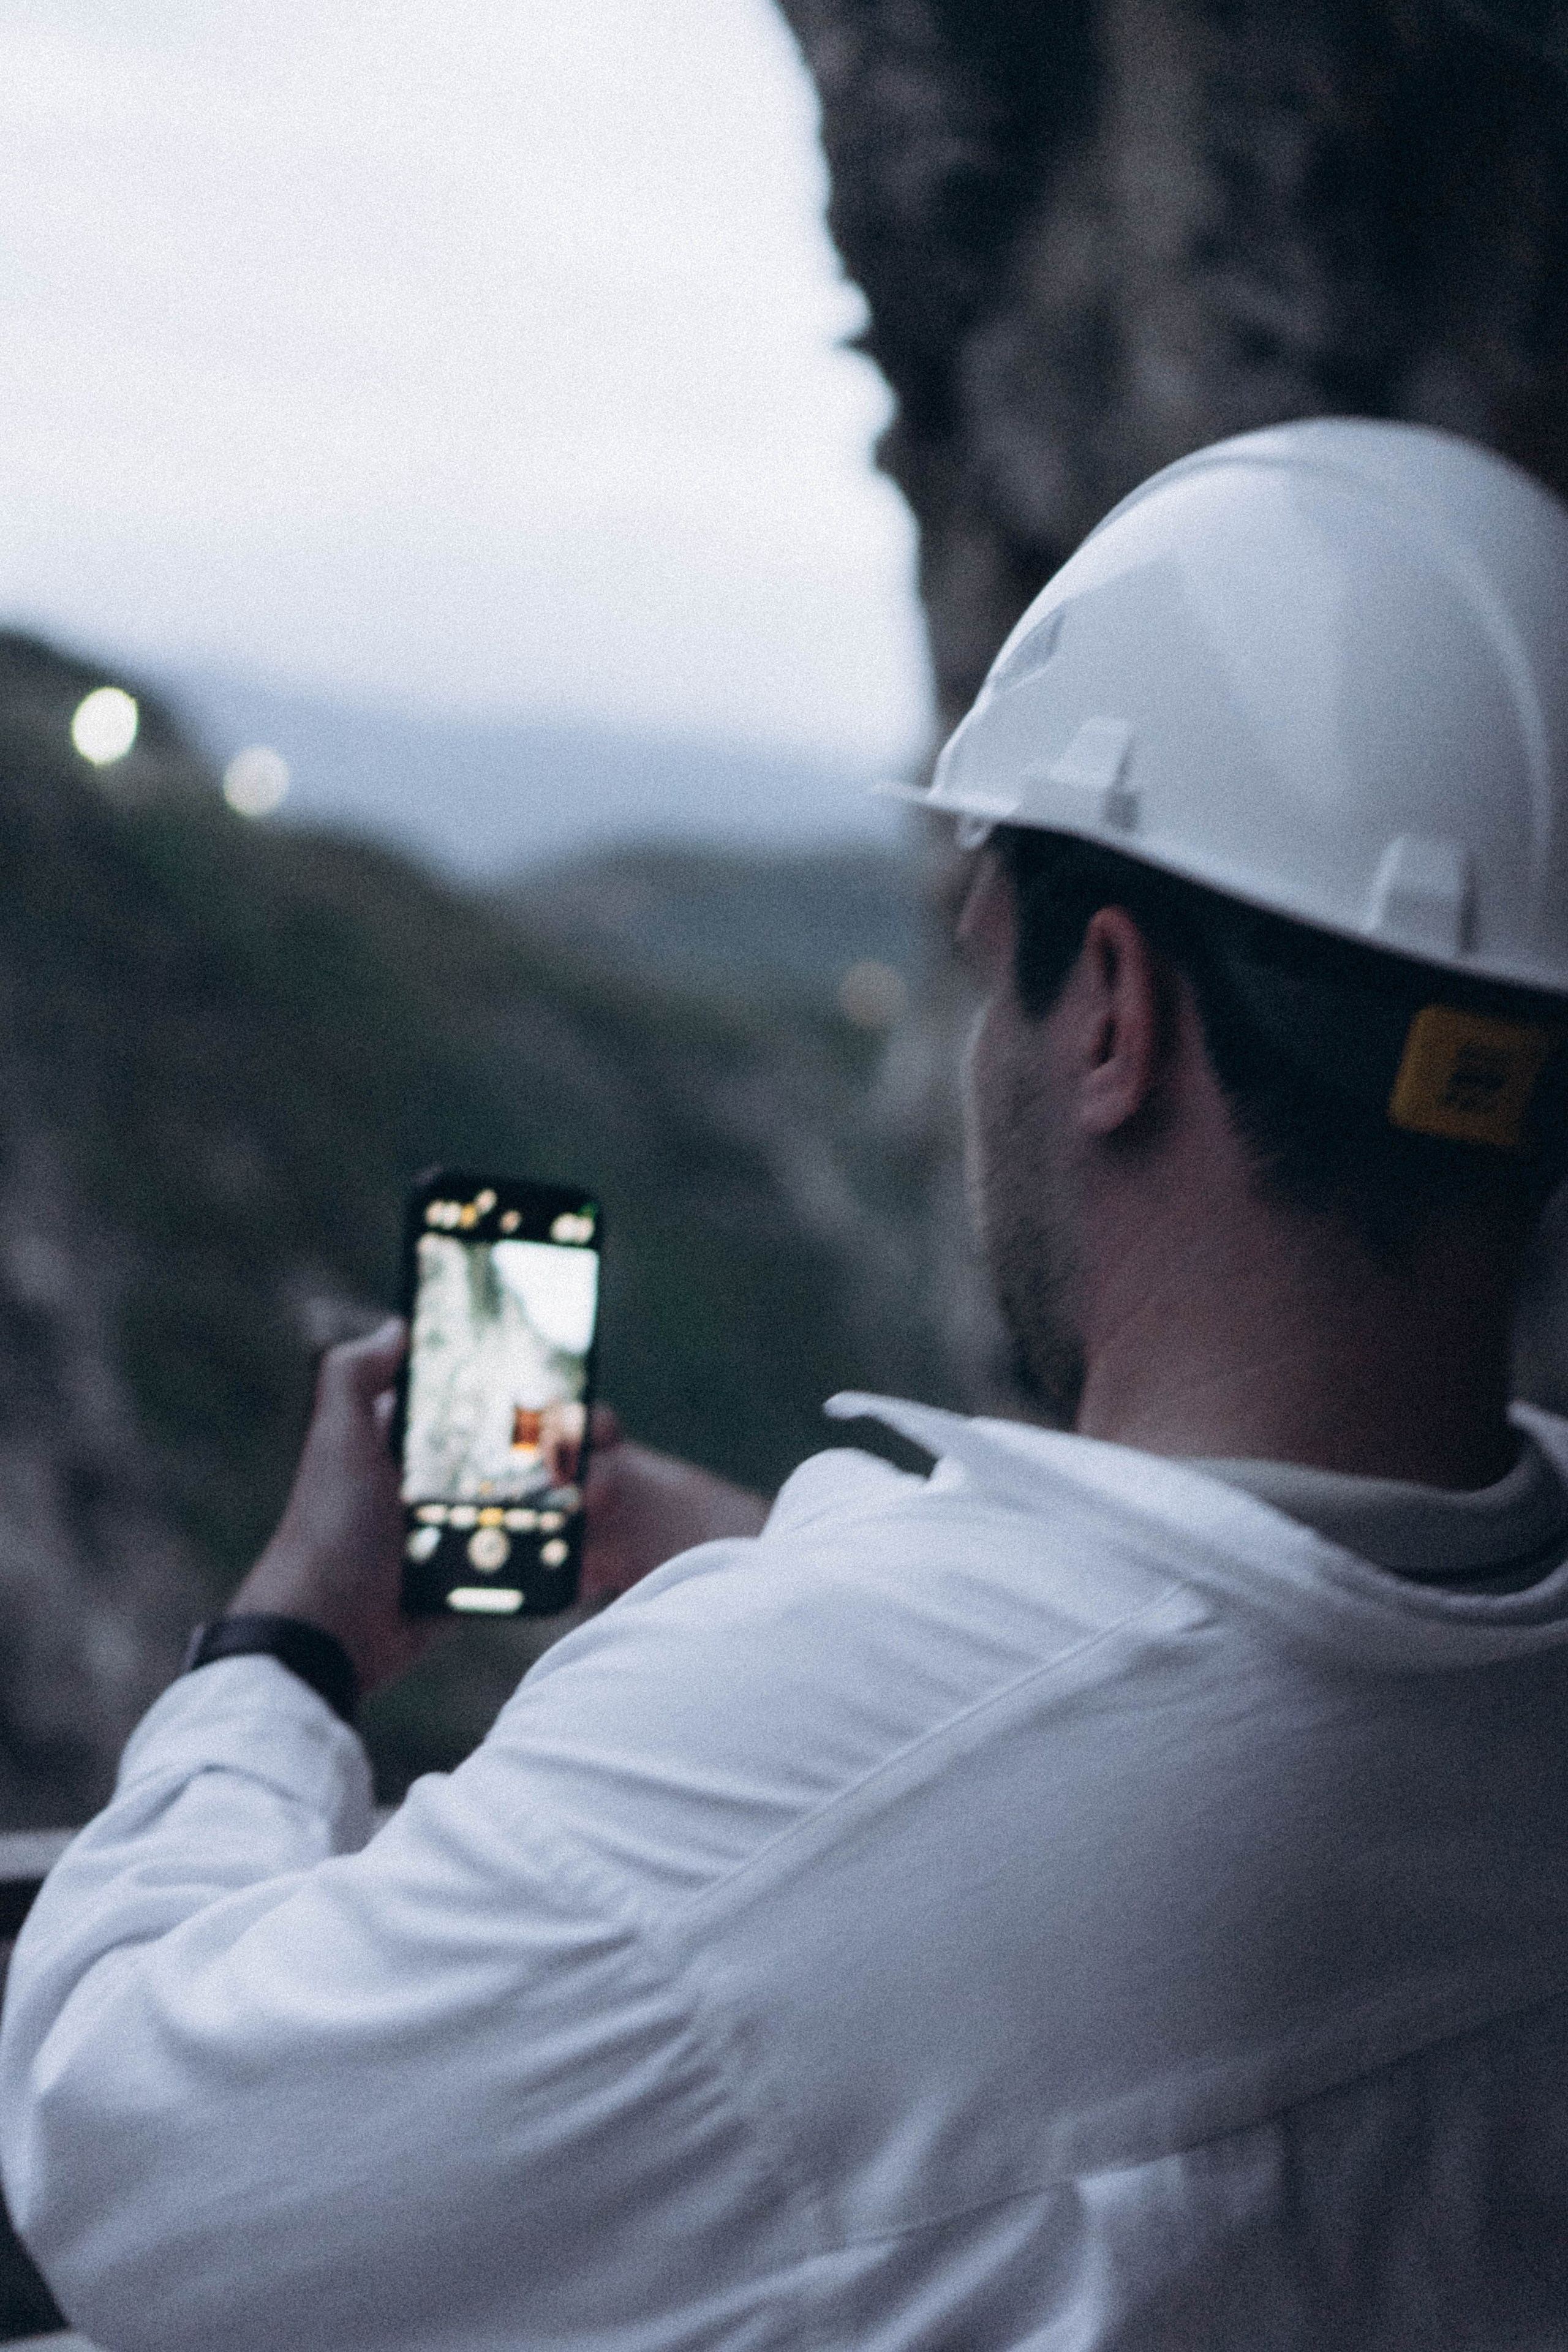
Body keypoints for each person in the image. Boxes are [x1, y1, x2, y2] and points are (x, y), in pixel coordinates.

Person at [7, 417, 1568, 2350]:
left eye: (985, 966)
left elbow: (127, 2155)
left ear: (1111, 1011)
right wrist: (769, 1565)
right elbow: (1198, 1690)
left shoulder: (752, 1799)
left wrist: (282, 1656)